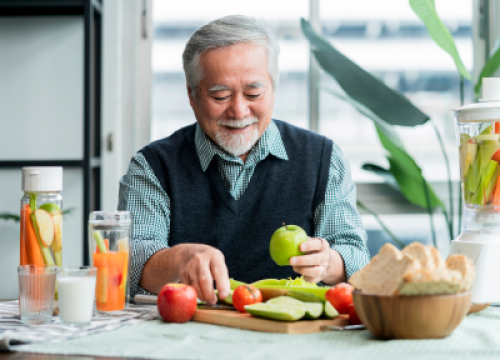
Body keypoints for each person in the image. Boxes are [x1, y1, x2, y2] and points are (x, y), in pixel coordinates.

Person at [118, 15, 369, 305]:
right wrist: (179, 258)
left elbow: (356, 257)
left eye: (254, 92)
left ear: (274, 88)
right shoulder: (152, 166)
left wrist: (328, 263)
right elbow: (130, 262)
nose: (238, 111)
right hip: (191, 331)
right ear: (191, 95)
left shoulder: (324, 159)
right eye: (221, 95)